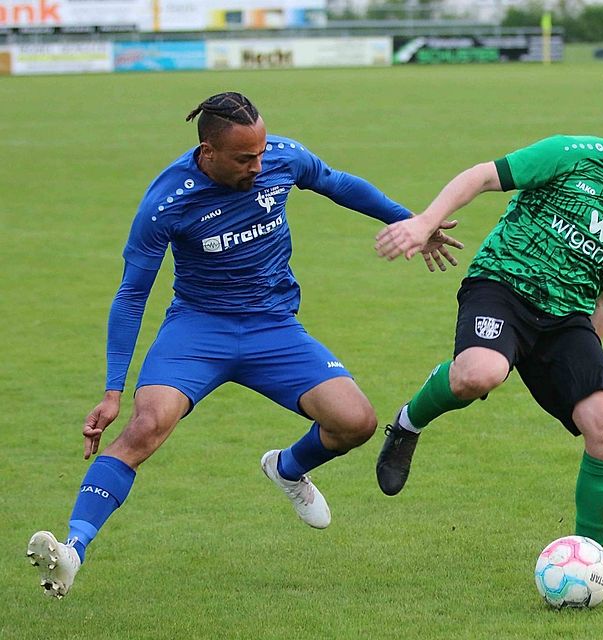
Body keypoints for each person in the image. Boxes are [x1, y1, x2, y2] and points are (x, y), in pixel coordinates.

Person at [26, 91, 462, 599]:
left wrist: (413, 221)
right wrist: (112, 390)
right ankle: (73, 550)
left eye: (260, 153)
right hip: (198, 329)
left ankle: (288, 468)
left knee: (357, 422)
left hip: (272, 327)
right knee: (146, 427)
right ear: (207, 153)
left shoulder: (281, 157)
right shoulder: (167, 201)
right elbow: (131, 294)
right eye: (244, 158)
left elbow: (338, 184)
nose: (259, 164)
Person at [373, 89, 603, 592]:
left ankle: (594, 563)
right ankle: (406, 424)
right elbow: (483, 176)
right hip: (504, 285)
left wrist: (587, 364)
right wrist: (424, 222)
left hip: (567, 319)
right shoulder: (568, 155)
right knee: (477, 375)